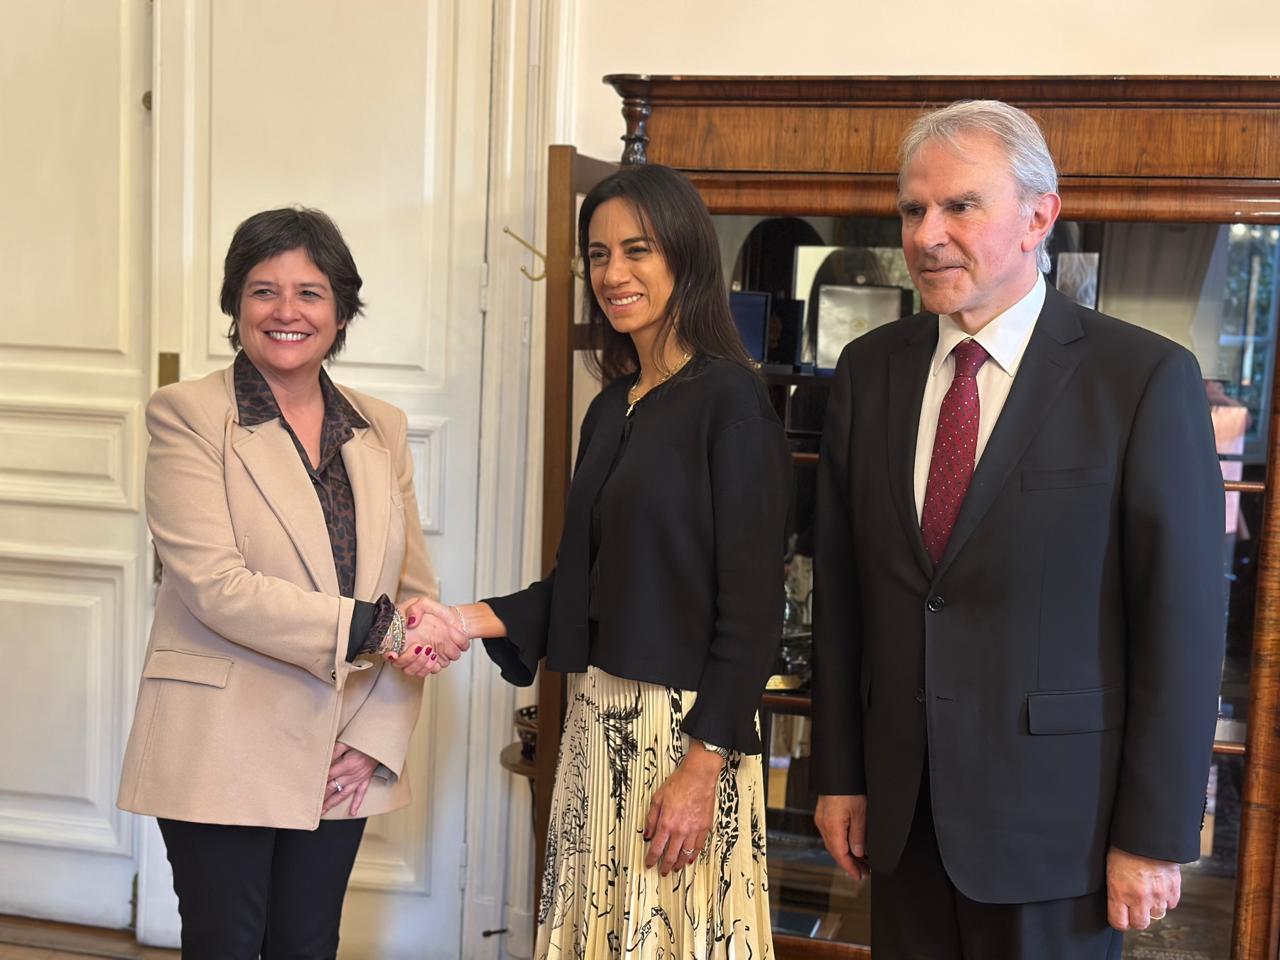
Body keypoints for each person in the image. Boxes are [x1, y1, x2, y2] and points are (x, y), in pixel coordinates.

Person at [811, 100, 1225, 959]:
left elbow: (1180, 632)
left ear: (1041, 215)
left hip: (1061, 835)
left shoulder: (1142, 379)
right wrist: (841, 775)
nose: (927, 234)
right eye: (912, 209)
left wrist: (1152, 833)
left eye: (960, 206)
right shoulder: (867, 372)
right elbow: (845, 599)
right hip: (904, 815)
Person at [390, 164, 789, 958]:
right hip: (595, 723)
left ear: (685, 257)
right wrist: (462, 620)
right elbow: (579, 587)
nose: (613, 274)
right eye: (598, 255)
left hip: (684, 742)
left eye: (636, 250)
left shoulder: (731, 401)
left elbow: (753, 611)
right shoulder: (613, 406)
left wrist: (702, 767)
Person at [117, 207, 463, 959]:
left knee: (308, 945)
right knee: (227, 946)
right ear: (235, 307)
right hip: (221, 742)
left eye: (310, 292)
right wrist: (379, 631)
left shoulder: (381, 429)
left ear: (341, 311)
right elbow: (216, 586)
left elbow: (415, 600)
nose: (286, 311)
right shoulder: (188, 416)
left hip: (341, 745)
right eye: (262, 290)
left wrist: (377, 740)